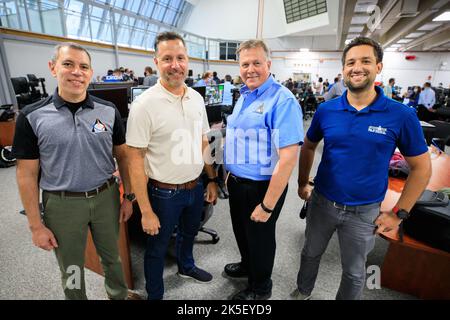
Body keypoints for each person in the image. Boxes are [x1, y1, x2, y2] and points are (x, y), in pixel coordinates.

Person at [292, 37, 431, 300]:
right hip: (322, 203)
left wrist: (399, 214)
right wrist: (302, 183)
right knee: (310, 254)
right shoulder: (327, 110)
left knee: (355, 272)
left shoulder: (401, 115)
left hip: (364, 212)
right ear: (343, 69)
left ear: (378, 66)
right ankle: (303, 292)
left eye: (365, 61)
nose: (357, 67)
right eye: (351, 62)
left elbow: (421, 168)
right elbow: (308, 146)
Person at [12, 42, 135, 300]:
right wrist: (36, 226)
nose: (76, 72)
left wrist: (129, 196)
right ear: (53, 67)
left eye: (84, 67)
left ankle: (118, 295)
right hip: (62, 203)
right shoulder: (32, 116)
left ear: (90, 73)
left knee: (112, 258)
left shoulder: (108, 111)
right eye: (68, 64)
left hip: (106, 198)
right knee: (72, 267)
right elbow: (26, 175)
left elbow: (123, 156)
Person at [126, 32, 218, 300]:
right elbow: (135, 159)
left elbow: (203, 141)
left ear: (188, 60)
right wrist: (145, 211)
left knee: (188, 234)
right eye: (167, 59)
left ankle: (186, 267)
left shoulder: (196, 98)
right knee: (156, 247)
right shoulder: (144, 105)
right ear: (156, 62)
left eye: (180, 58)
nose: (175, 65)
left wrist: (211, 179)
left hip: (195, 186)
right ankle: (155, 294)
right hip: (163, 193)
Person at [223, 39, 303, 300]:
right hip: (238, 182)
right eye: (245, 64)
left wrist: (268, 204)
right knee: (242, 232)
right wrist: (228, 173)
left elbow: (288, 158)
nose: (250, 69)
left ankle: (260, 288)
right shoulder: (244, 95)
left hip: (262, 186)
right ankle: (248, 266)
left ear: (268, 64)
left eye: (257, 63)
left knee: (260, 238)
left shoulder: (282, 100)